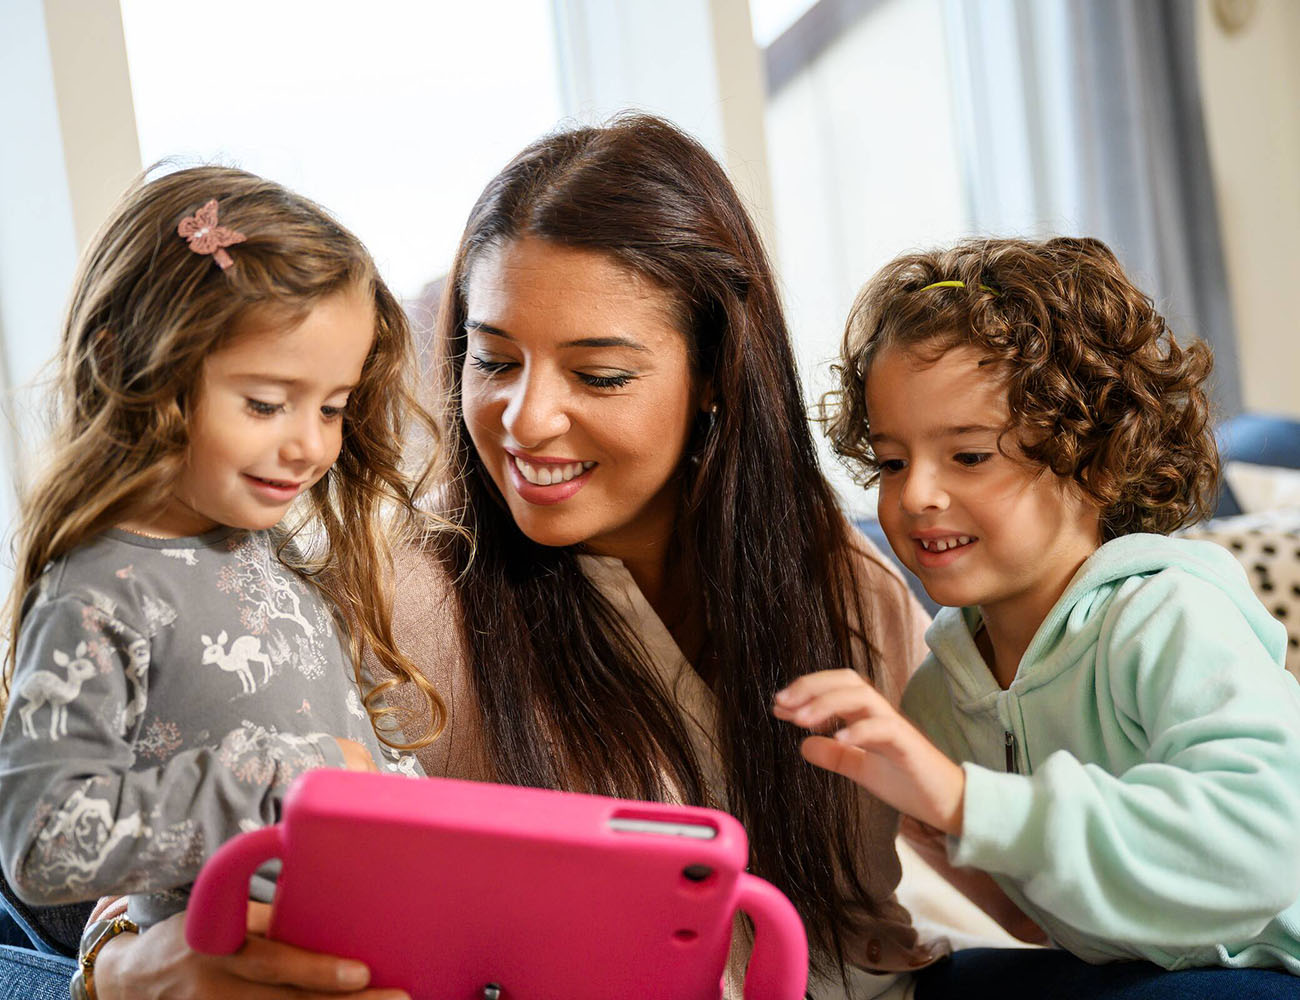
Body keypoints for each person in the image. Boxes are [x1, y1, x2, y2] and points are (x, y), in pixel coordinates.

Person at [73, 115, 944, 1000]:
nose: (524, 422)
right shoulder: (396, 601)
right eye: (492, 360)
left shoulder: (848, 590)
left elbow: (965, 877)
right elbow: (165, 858)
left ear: (717, 371)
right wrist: (120, 964)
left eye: (600, 376)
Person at [775, 237, 1300, 995]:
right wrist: (925, 818)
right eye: (892, 461)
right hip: (1143, 970)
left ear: (1100, 461)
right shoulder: (940, 697)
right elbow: (1034, 922)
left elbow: (1267, 844)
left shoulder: (1164, 614)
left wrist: (969, 801)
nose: (916, 494)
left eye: (970, 456)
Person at [0, 166, 445, 995]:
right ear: (133, 367)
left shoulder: (270, 556)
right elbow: (39, 841)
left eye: (333, 407)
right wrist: (273, 786)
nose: (311, 445)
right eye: (268, 403)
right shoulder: (95, 592)